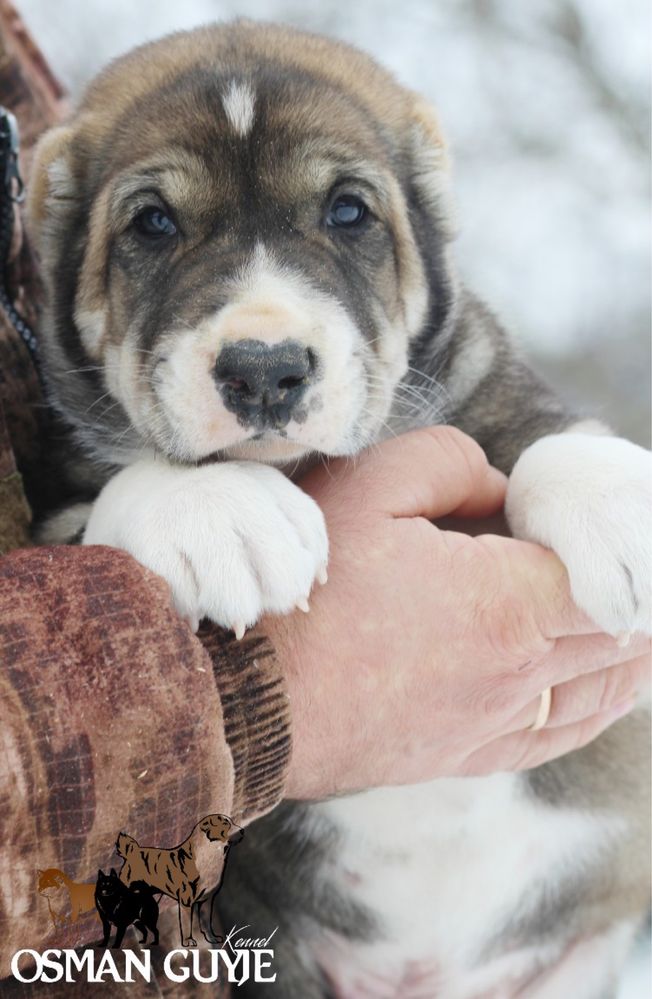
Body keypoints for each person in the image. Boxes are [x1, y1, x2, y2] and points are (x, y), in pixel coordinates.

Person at [0, 7, 647, 995]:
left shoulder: (465, 383)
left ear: (422, 214)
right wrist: (142, 515)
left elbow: (555, 453)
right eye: (155, 223)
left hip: (579, 940)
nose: (262, 336)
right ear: (59, 228)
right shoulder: (96, 475)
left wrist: (576, 473)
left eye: (346, 214)